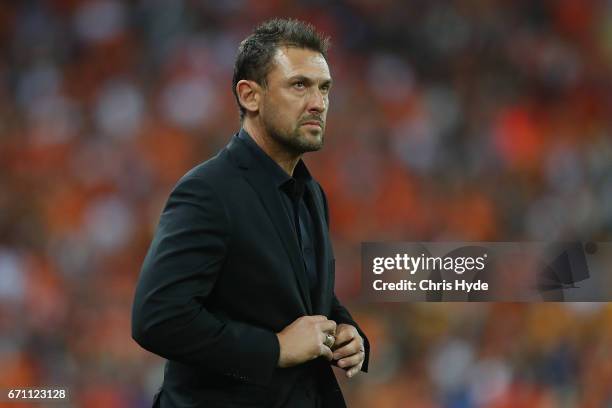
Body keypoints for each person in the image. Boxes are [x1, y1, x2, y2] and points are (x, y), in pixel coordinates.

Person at [131, 18, 369, 408]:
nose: (318, 103)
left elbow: (299, 291)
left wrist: (348, 331)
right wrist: (273, 349)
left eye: (324, 88)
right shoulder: (209, 190)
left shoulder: (310, 192)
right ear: (250, 96)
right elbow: (157, 318)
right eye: (299, 85)